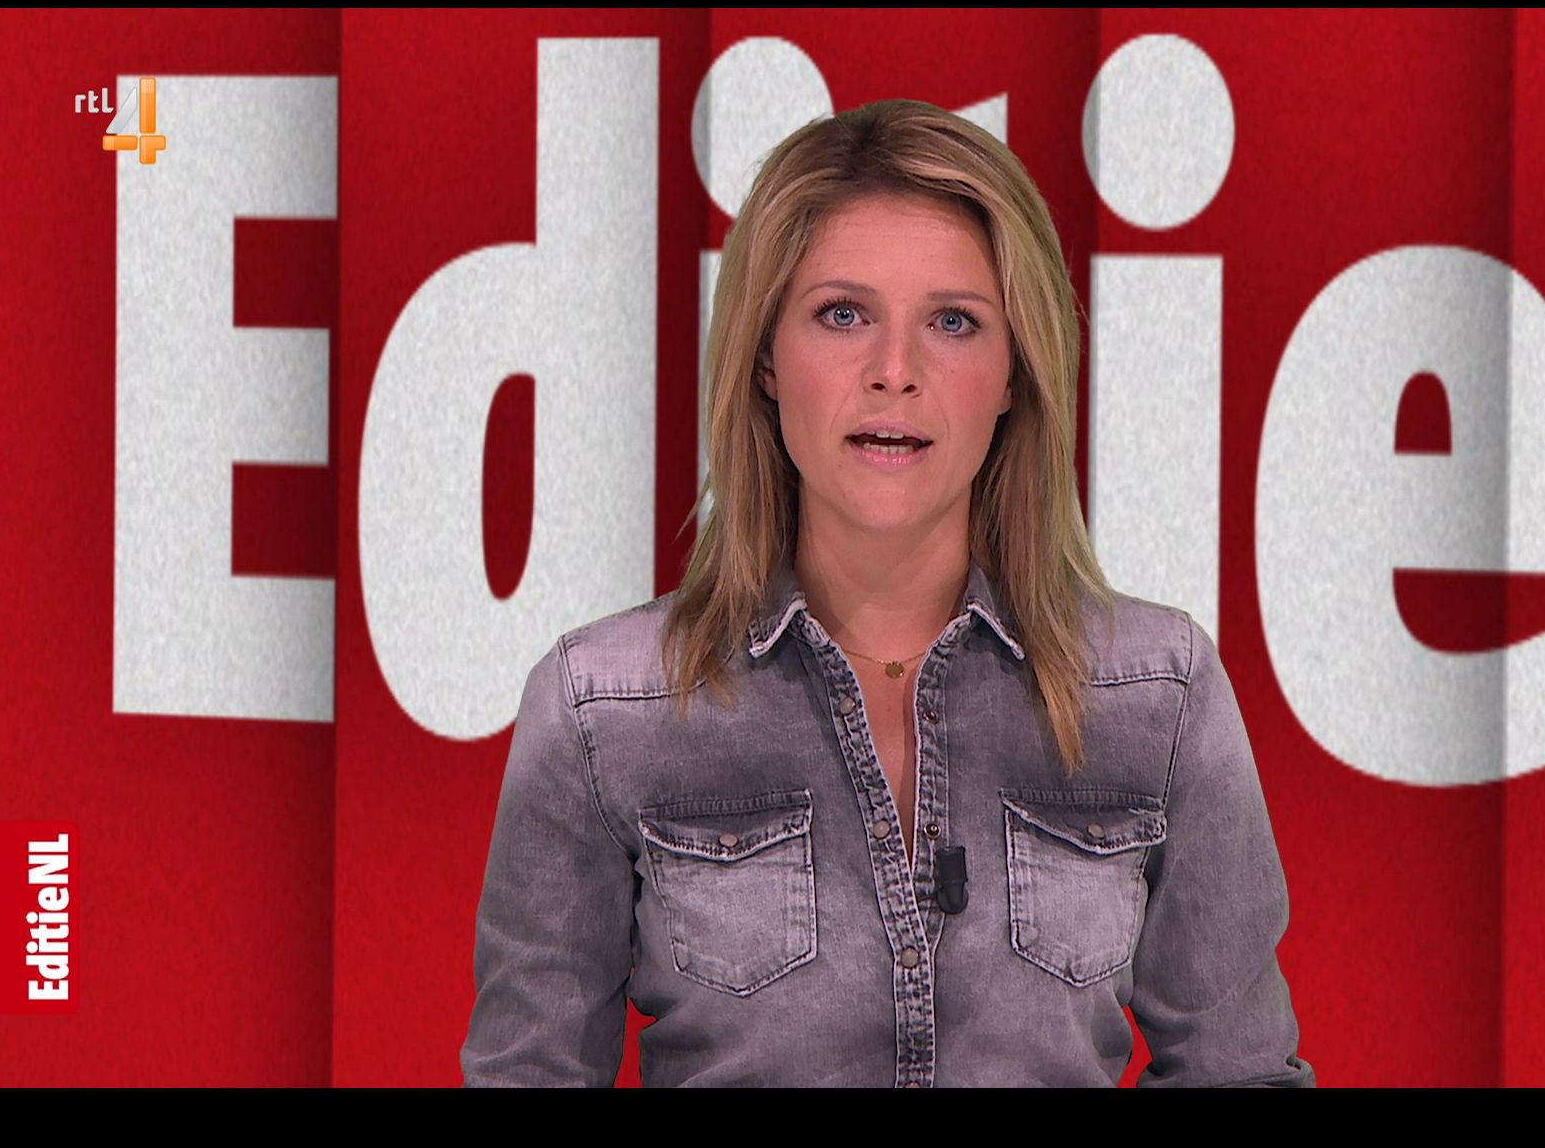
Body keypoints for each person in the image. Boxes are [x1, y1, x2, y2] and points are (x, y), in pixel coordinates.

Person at [460, 98, 1313, 1087]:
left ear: (1014, 372)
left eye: (953, 322)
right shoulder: (602, 709)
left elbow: (1241, 1073)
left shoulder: (1158, 694)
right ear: (766, 358)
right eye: (843, 314)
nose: (894, 372)